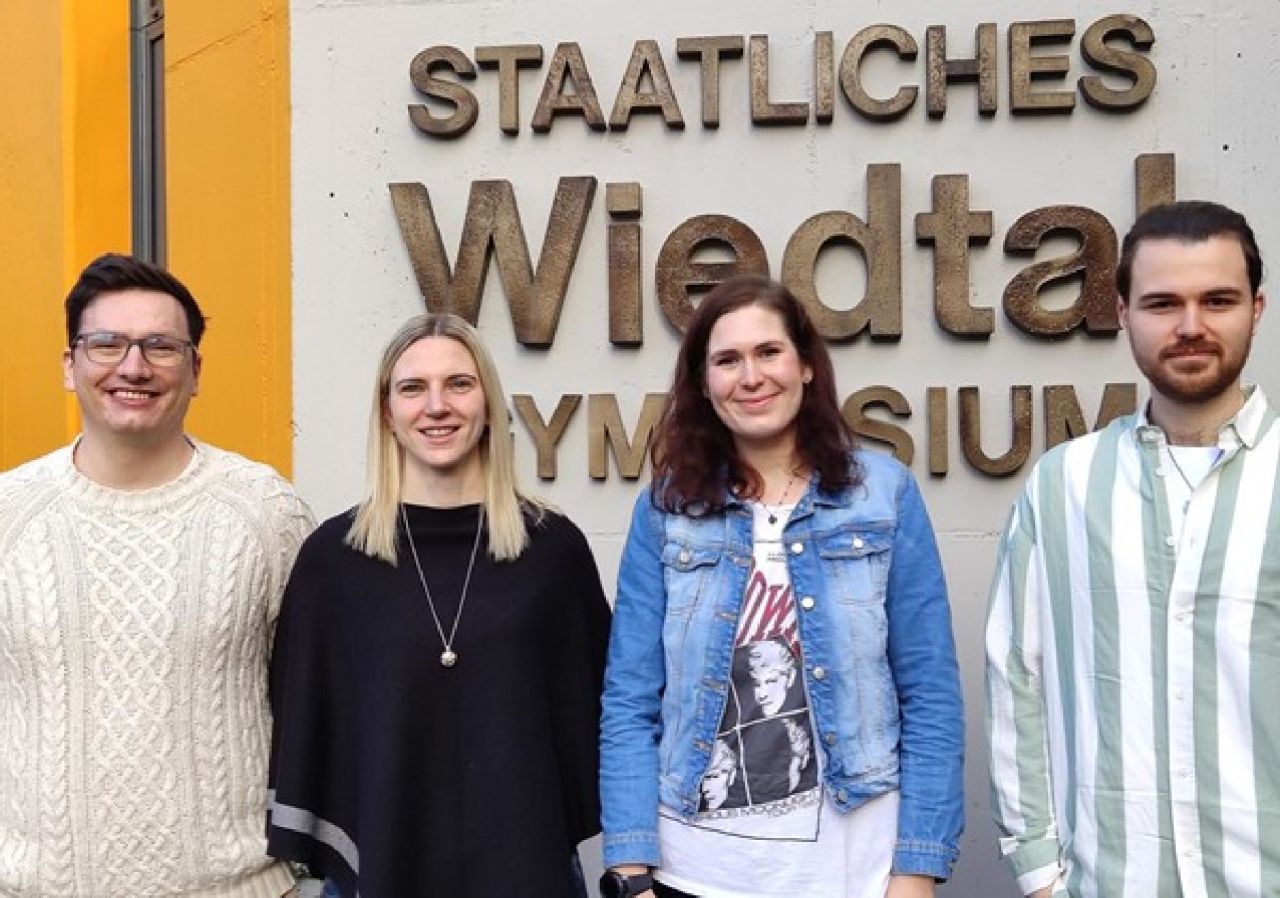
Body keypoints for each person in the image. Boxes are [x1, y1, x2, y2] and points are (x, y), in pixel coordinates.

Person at [599, 275, 964, 898]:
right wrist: (632, 873)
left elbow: (929, 695)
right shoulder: (666, 508)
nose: (751, 376)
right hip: (694, 873)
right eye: (727, 360)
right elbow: (629, 699)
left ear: (806, 367)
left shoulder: (883, 495)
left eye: (769, 352)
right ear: (703, 382)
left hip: (858, 871)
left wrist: (917, 868)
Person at [986, 200, 1279, 897]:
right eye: (1161, 302)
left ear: (1257, 309)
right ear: (1122, 312)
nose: (1190, 326)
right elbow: (1016, 678)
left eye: (1217, 300)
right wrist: (1040, 873)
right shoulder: (1064, 485)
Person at [0, 253, 315, 897]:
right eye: (106, 344)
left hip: (239, 889)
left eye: (161, 346)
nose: (133, 367)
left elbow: (321, 696)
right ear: (70, 365)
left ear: (196, 370)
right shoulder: (10, 514)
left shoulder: (265, 510)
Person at [266, 313, 611, 898]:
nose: (436, 406)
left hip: (530, 872)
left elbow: (602, 719)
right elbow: (304, 726)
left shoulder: (553, 551)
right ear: (387, 413)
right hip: (377, 872)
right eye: (412, 388)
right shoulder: (333, 559)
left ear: (488, 405)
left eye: (459, 383)